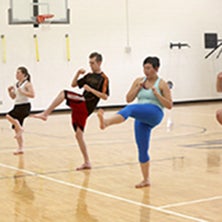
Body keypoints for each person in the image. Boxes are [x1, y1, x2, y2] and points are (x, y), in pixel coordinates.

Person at [97, 56, 172, 188]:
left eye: (149, 68)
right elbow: (128, 98)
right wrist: (137, 88)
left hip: (154, 113)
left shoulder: (161, 84)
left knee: (130, 109)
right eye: (144, 68)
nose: (146, 71)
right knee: (142, 148)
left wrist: (157, 95)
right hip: (141, 115)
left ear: (156, 69)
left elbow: (169, 105)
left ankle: (107, 122)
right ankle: (146, 179)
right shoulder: (139, 81)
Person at [32, 52, 109, 170]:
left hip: (85, 104)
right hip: (81, 107)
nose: (91, 65)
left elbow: (104, 96)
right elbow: (73, 84)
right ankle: (87, 162)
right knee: (79, 135)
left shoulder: (104, 78)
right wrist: (77, 73)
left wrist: (91, 89)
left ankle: (46, 113)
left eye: (93, 63)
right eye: (89, 63)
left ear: (99, 63)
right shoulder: (88, 76)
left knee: (64, 93)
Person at [6, 67, 35, 155]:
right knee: (16, 129)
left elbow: (32, 95)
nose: (16, 74)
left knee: (8, 115)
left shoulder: (27, 84)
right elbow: (13, 97)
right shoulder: (16, 84)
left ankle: (20, 128)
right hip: (17, 105)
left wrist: (23, 91)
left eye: (18, 73)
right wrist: (10, 91)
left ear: (24, 74)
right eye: (16, 73)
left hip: (24, 106)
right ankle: (20, 148)